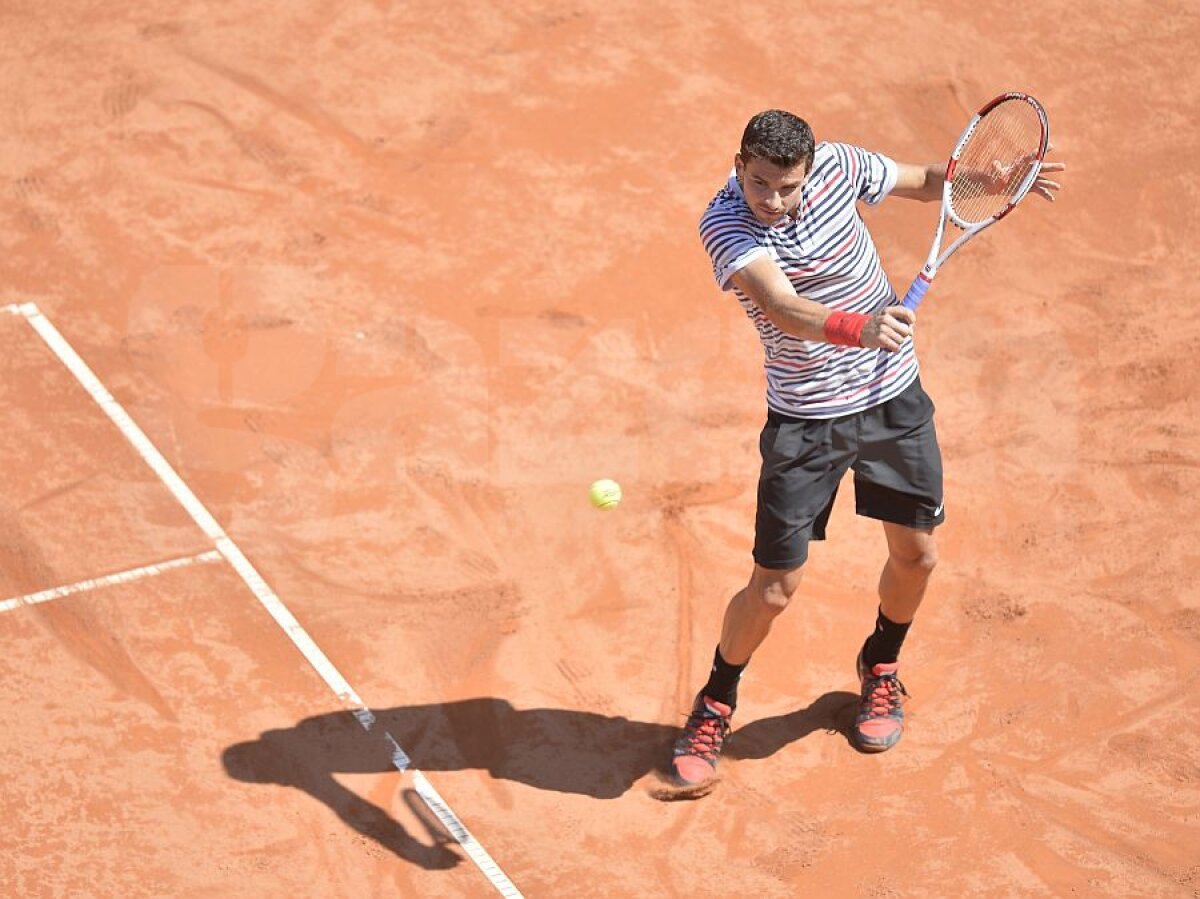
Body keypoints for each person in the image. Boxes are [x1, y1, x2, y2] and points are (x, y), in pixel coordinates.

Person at [670, 109, 1063, 790]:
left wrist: (990, 180)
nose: (774, 201)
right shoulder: (726, 223)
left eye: (788, 186)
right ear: (739, 167)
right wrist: (861, 327)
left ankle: (880, 663)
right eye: (760, 183)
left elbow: (926, 181)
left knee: (918, 555)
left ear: (810, 169)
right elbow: (783, 306)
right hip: (806, 419)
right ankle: (715, 700)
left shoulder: (841, 165)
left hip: (891, 398)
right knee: (774, 589)